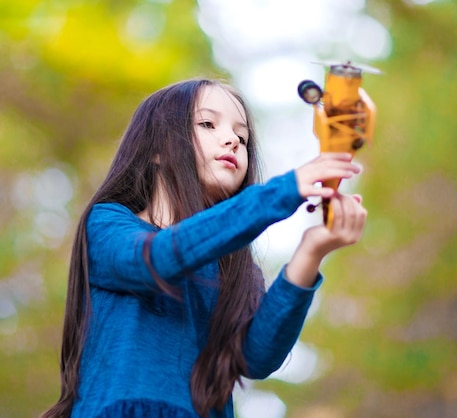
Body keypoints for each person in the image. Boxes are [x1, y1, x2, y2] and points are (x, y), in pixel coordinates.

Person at [42, 78, 367, 418]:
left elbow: (255, 357)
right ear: (157, 148)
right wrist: (284, 190)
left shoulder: (233, 266)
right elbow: (157, 258)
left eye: (242, 138)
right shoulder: (108, 223)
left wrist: (311, 252)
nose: (232, 140)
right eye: (208, 124)